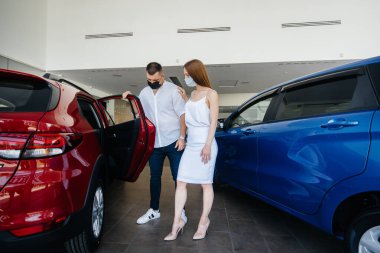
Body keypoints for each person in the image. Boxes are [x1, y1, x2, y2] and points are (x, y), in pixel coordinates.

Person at [122, 62, 188, 224]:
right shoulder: (144, 93)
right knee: (154, 178)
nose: (152, 82)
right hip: (155, 144)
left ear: (162, 76)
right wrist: (130, 98)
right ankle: (154, 210)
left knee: (178, 178)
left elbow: (182, 115)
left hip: (174, 141)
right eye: (149, 79)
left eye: (155, 79)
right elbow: (140, 113)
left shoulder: (173, 90)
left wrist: (182, 137)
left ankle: (181, 212)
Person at [164, 59, 219, 241]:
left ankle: (204, 221)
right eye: (185, 75)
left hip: (205, 143)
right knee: (181, 181)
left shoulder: (212, 93)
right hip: (191, 143)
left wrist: (208, 144)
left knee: (205, 183)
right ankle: (177, 222)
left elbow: (212, 123)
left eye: (187, 75)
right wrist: (186, 99)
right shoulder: (193, 93)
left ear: (196, 73)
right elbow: (193, 113)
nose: (186, 78)